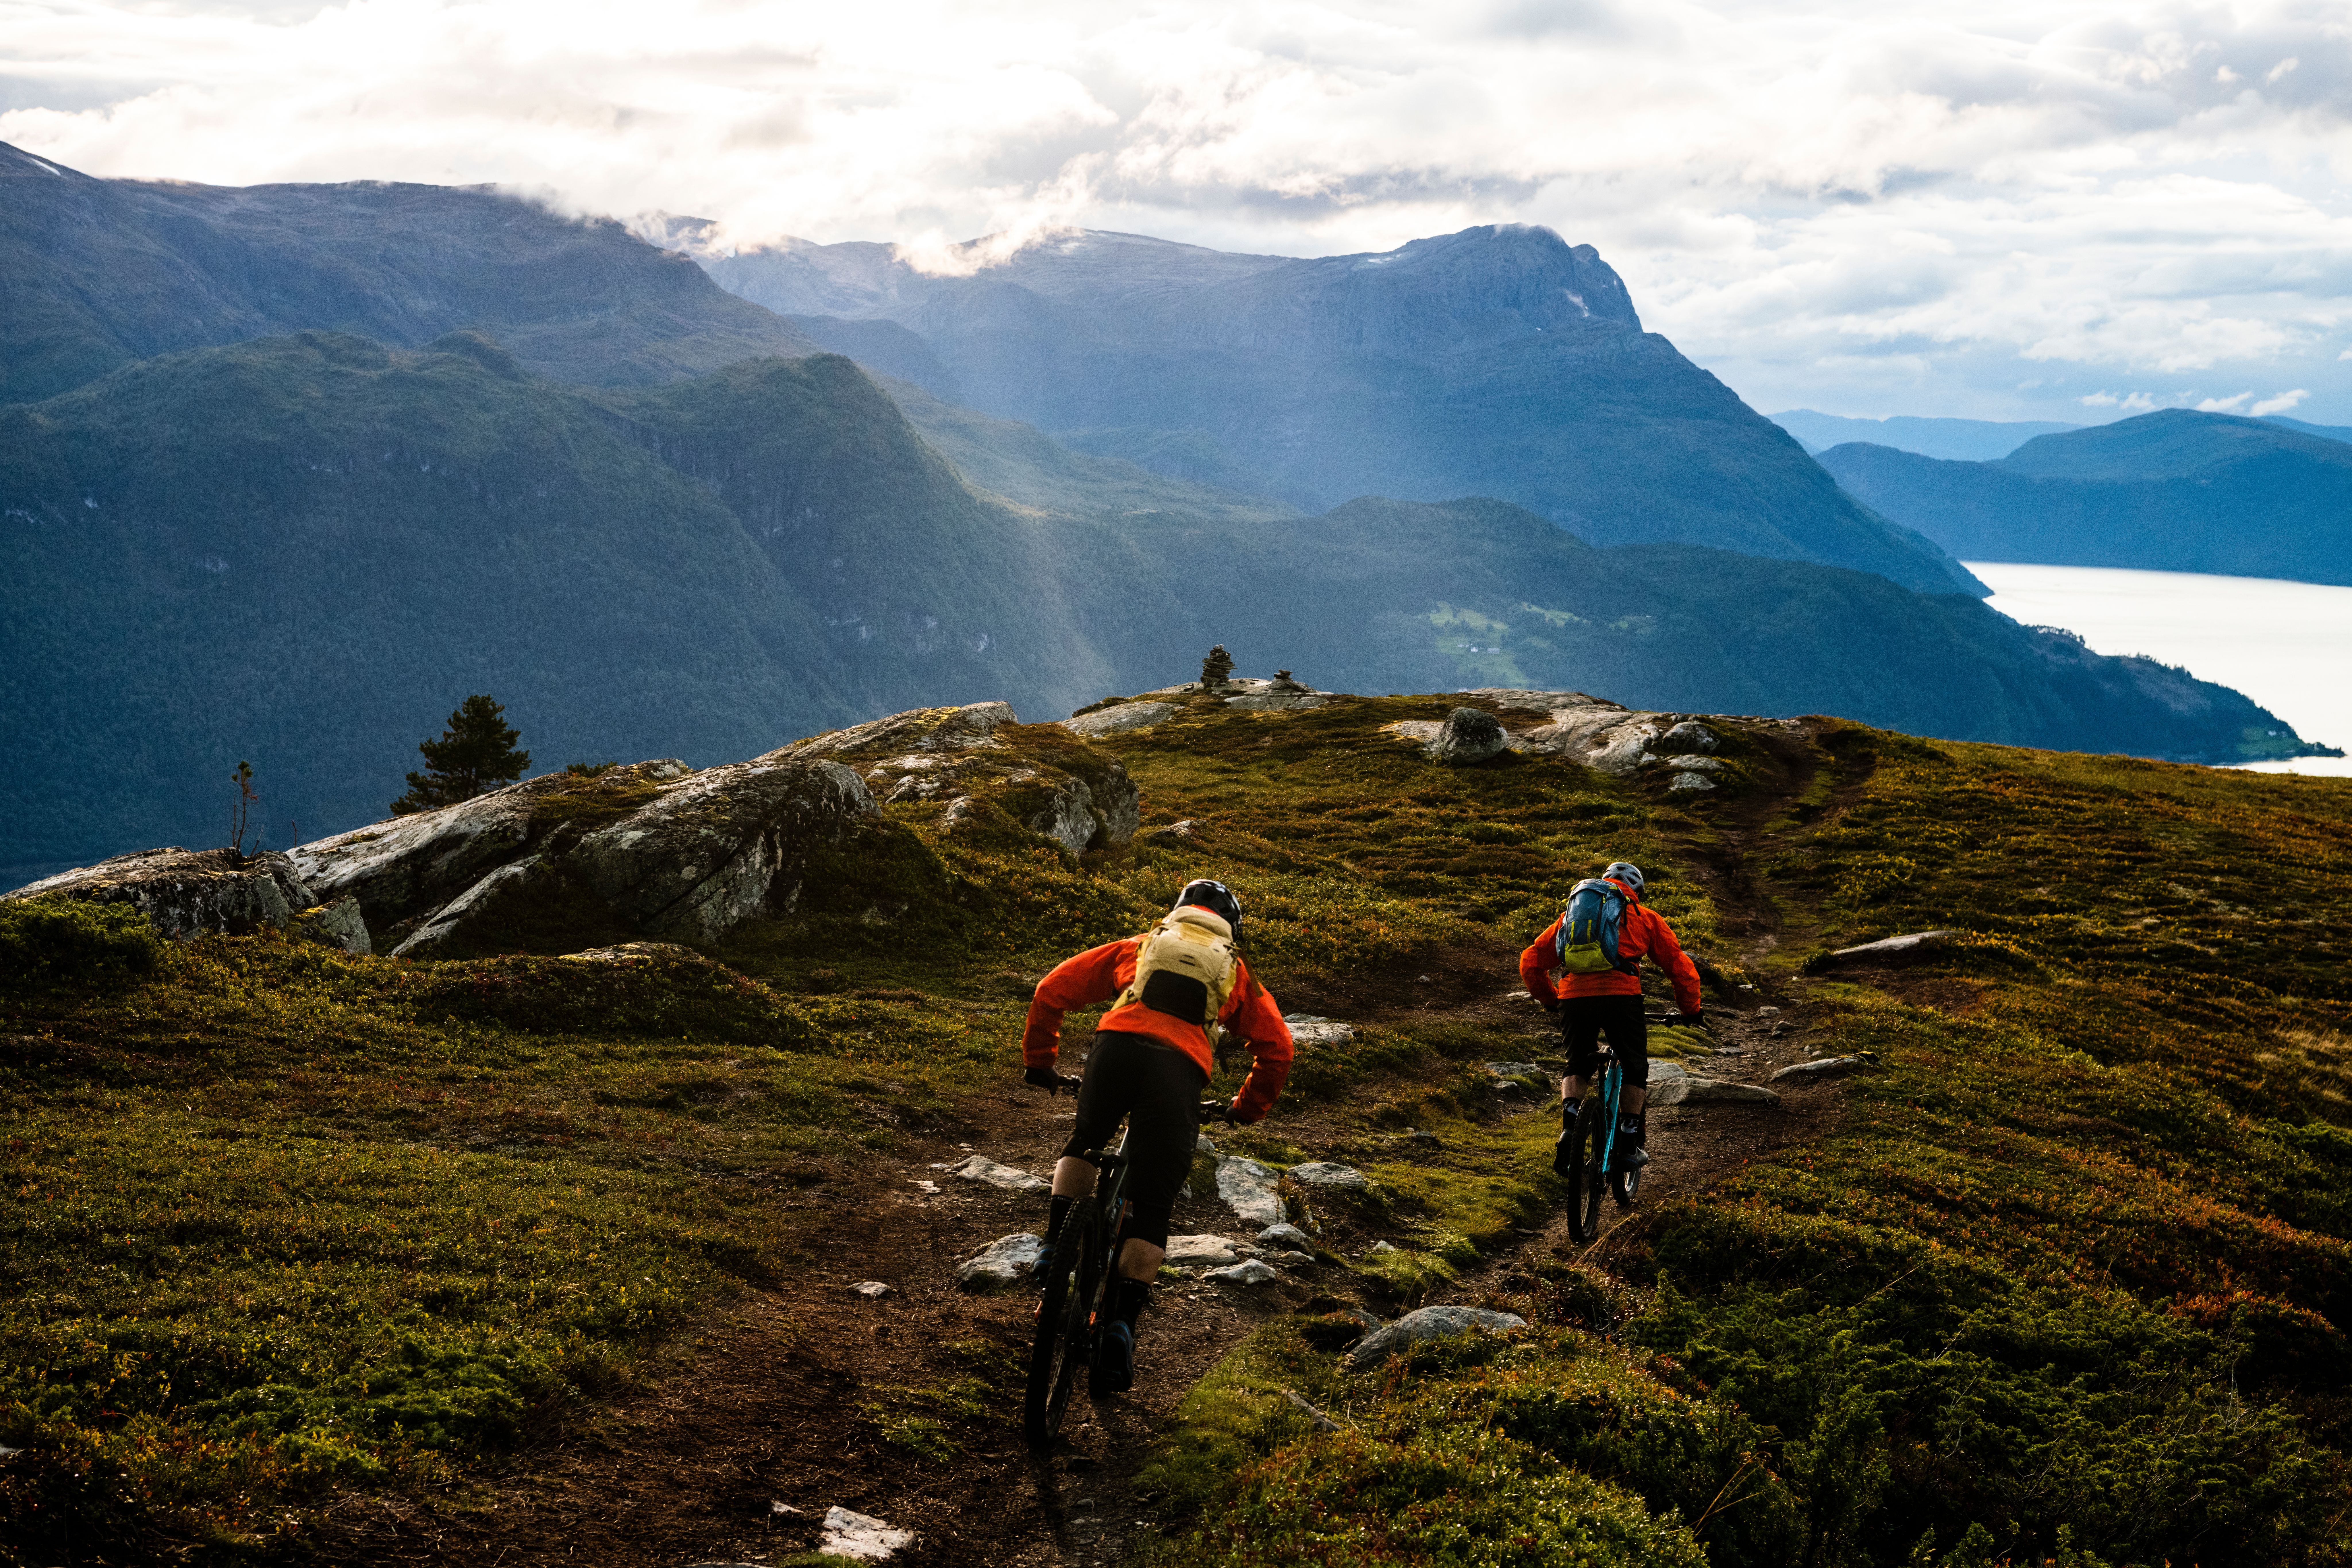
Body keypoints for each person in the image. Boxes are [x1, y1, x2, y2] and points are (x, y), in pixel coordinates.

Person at [1021, 879, 1293, 1393]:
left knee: (1086, 1138)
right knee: (1151, 1208)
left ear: (1178, 913)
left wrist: (1041, 1063)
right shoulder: (1235, 971)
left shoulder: (1141, 945)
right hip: (1178, 1073)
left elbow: (1049, 990)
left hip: (1116, 1050)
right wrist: (1245, 1110)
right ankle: (1121, 1324)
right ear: (1231, 930)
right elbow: (1278, 1049)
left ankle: (1056, 1246)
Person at [1519, 861, 1702, 1169]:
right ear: (1637, 892)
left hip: (1574, 998)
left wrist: (1552, 1000)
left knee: (1577, 1061)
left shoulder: (1571, 918)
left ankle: (1570, 1124)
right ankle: (1629, 1141)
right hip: (1621, 997)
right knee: (1634, 1065)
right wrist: (1691, 1010)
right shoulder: (1643, 917)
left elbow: (1530, 962)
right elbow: (1679, 967)